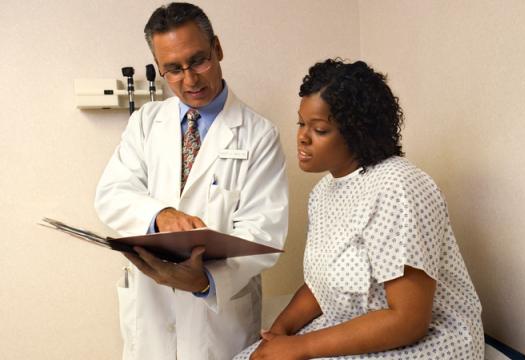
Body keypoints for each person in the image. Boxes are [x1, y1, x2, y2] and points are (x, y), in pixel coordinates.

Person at [234, 59, 483, 360]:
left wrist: (301, 347)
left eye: (320, 129)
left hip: (431, 341)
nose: (302, 136)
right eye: (301, 123)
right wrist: (279, 334)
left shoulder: (398, 186)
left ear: (357, 132)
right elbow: (321, 286)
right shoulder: (323, 193)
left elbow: (409, 320)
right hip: (358, 326)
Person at [94, 3, 288, 359]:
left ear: (218, 48)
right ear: (160, 69)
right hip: (151, 311)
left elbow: (263, 231)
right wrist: (160, 215)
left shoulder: (259, 134)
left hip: (218, 322)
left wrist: (204, 282)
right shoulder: (145, 122)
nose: (190, 79)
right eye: (173, 69)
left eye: (198, 60)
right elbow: (112, 193)